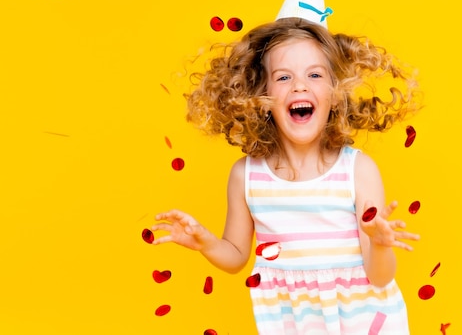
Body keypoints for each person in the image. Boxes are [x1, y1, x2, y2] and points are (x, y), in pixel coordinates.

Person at [152, 17, 421, 334]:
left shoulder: (357, 170)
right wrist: (206, 243)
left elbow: (380, 277)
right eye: (283, 77)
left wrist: (380, 245)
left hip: (367, 325)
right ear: (262, 99)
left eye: (315, 74)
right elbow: (236, 256)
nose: (299, 85)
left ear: (335, 94)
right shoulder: (247, 176)